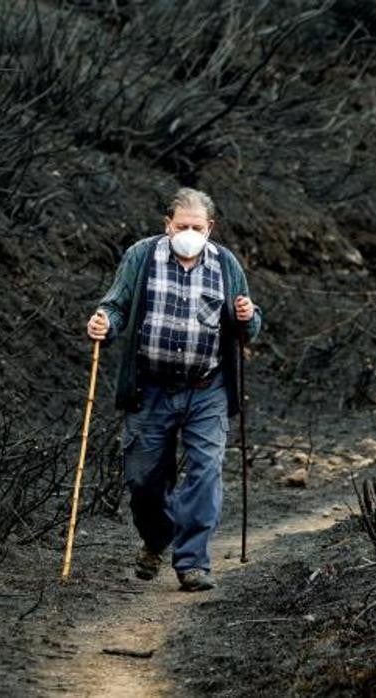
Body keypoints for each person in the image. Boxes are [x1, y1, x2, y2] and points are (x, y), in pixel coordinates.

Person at [86, 187, 261, 592]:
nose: (189, 232)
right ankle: (157, 537)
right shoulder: (142, 256)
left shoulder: (226, 265)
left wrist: (249, 316)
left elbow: (247, 325)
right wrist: (103, 323)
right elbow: (115, 306)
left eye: (197, 227)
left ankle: (192, 562)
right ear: (167, 225)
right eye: (181, 226)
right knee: (143, 481)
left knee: (205, 470)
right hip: (150, 387)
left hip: (207, 387)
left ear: (210, 228)